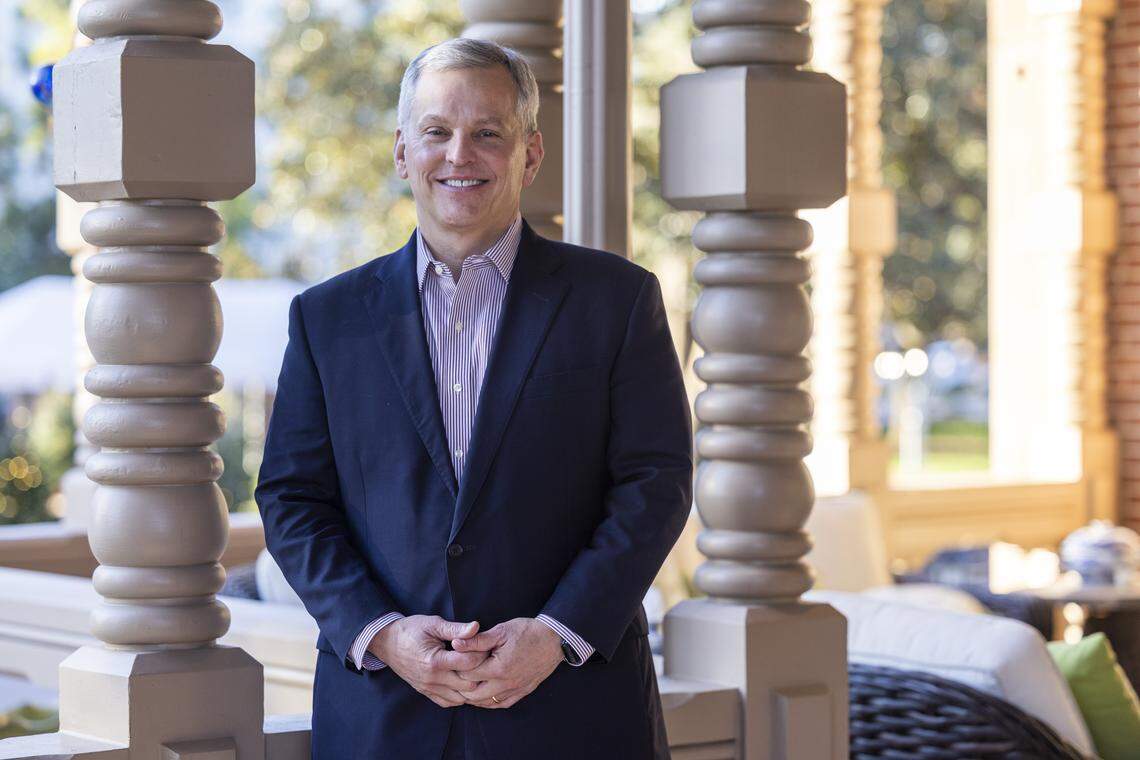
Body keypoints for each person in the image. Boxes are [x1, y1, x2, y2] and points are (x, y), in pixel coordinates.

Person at [255, 37, 693, 760]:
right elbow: (291, 499)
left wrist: (555, 634)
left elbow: (656, 484)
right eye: (436, 131)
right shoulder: (326, 319)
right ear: (403, 152)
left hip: (573, 712)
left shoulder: (617, 301)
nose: (460, 154)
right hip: (384, 718)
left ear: (530, 153)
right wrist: (382, 634)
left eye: (489, 133)